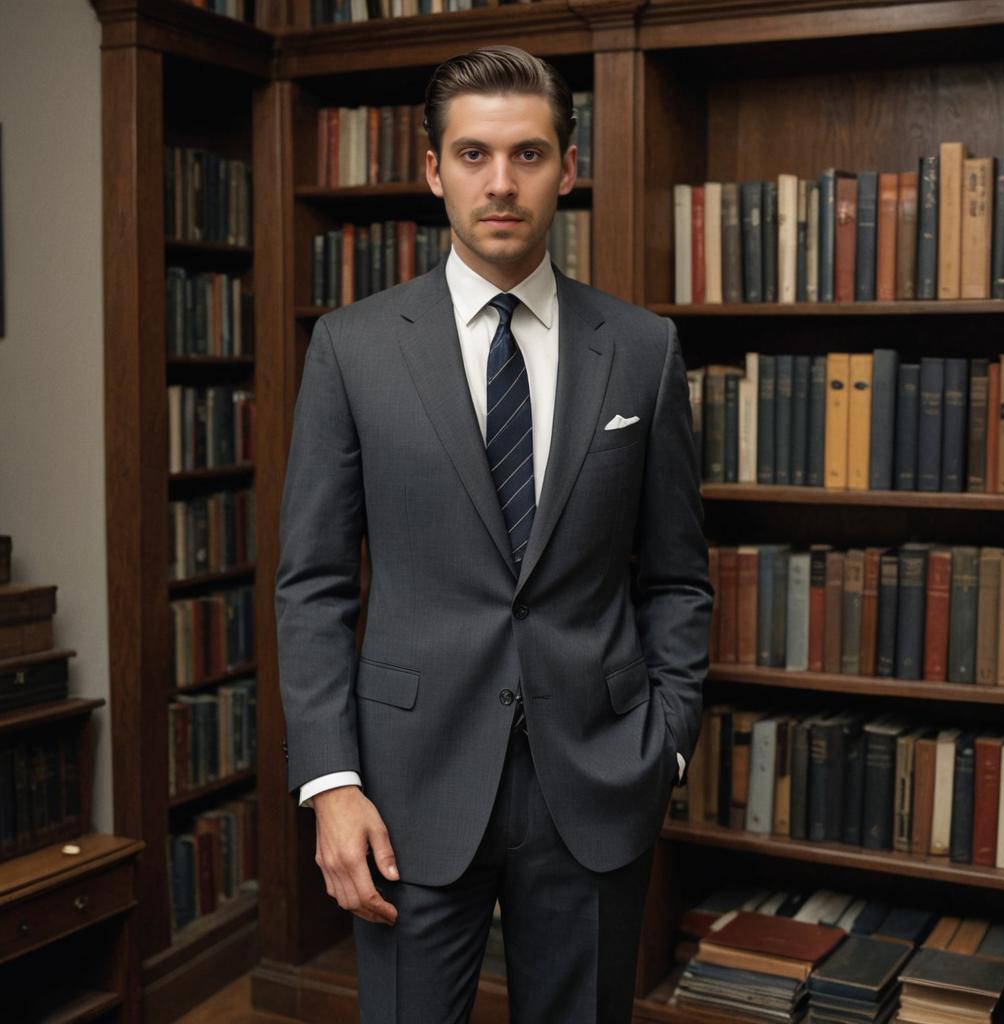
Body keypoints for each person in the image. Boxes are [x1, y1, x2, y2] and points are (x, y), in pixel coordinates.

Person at [274, 43, 711, 1024]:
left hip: (596, 781)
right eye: (472, 155)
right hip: (402, 788)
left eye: (526, 153)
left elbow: (678, 577)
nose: (499, 182)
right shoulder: (351, 349)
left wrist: (665, 746)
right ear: (433, 170)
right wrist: (330, 783)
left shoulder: (642, 351)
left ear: (566, 164)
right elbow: (311, 582)